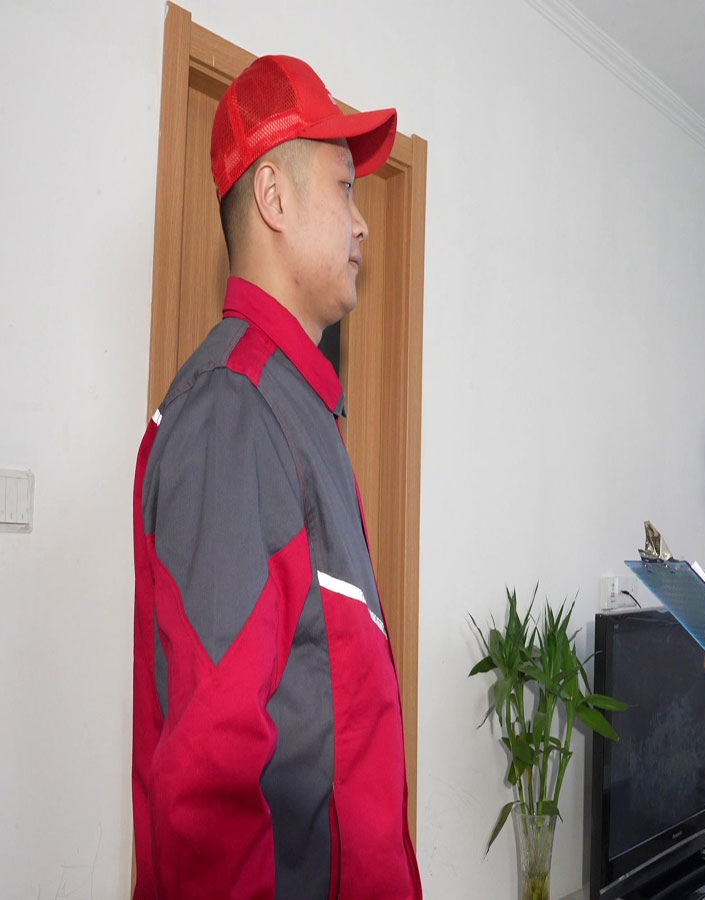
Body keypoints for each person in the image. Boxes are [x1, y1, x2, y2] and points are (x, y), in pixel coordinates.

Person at [131, 55, 422, 899]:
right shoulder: (234, 410)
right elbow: (209, 779)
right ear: (274, 197)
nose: (363, 225)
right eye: (345, 188)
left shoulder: (294, 407)